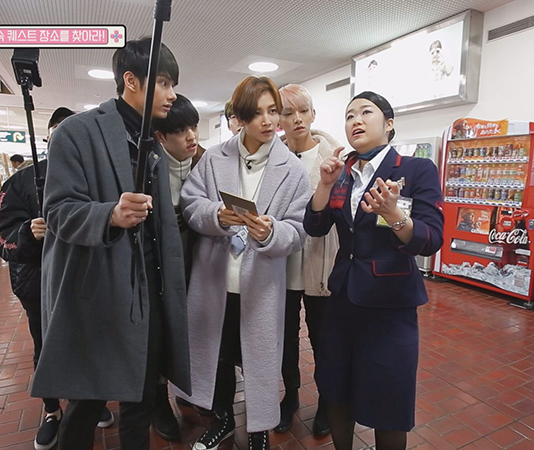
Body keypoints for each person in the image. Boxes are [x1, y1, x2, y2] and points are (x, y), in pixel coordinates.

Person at [31, 38, 191, 450]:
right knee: (87, 401)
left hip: (149, 292)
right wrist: (111, 215)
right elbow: (58, 211)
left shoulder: (151, 143)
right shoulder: (77, 132)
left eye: (173, 85)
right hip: (99, 292)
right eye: (164, 83)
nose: (172, 94)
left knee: (142, 396)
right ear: (131, 81)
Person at [303, 92, 443, 450]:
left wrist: (395, 215)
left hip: (390, 306)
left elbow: (430, 240)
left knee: (389, 397)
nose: (356, 120)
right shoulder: (342, 172)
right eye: (349, 115)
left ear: (389, 123)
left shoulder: (415, 170)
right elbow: (315, 227)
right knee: (336, 387)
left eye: (366, 112)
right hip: (342, 299)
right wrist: (324, 184)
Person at [177, 76, 311, 450]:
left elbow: (299, 229)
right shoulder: (213, 159)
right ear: (239, 118)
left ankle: (258, 430)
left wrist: (271, 232)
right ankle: (221, 419)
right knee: (217, 355)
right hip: (215, 280)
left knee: (259, 360)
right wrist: (216, 216)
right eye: (257, 113)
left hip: (261, 283)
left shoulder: (293, 169)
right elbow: (190, 203)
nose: (268, 121)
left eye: (273, 111)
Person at [0, 106, 118, 450]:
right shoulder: (20, 181)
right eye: (59, 135)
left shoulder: (98, 177)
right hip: (39, 284)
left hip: (89, 279)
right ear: (48, 139)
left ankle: (90, 402)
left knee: (90, 343)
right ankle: (51, 411)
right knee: (46, 346)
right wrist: (28, 233)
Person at [275, 84, 341, 436]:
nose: (297, 119)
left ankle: (328, 402)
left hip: (321, 261)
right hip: (282, 264)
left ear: (313, 114)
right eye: (288, 112)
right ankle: (290, 397)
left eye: (303, 111)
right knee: (285, 338)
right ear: (278, 119)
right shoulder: (273, 158)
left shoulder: (334, 158)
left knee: (323, 338)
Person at [145, 93, 204, 441]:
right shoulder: (146, 169)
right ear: (161, 136)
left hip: (197, 265)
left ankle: (189, 389)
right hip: (157, 269)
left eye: (193, 127)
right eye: (181, 131)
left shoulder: (205, 162)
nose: (191, 137)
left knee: (192, 330)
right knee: (159, 334)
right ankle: (158, 399)